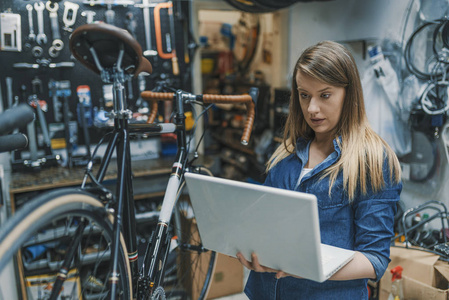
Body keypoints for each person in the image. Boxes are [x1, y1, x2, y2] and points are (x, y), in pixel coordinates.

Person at [236, 41, 402, 299]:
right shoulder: (287, 155)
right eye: (304, 95)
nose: (312, 108)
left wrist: (308, 267)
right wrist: (251, 249)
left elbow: (373, 259)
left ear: (349, 94)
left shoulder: (372, 160)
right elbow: (263, 222)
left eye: (324, 95)